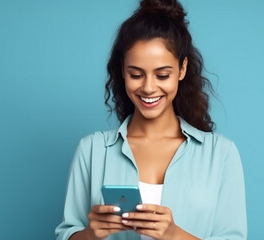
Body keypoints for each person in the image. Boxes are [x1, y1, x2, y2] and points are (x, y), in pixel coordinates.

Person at [55, 0, 247, 239]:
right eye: (135, 74)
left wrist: (174, 235)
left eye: (162, 75)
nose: (148, 87)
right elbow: (67, 234)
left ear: (182, 69)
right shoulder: (92, 150)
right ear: (122, 71)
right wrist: (91, 233)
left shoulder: (221, 155)